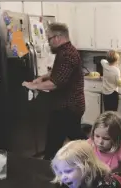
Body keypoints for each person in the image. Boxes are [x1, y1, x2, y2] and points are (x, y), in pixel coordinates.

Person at [22, 22, 86, 160]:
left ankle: (48, 174)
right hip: (69, 106)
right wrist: (41, 78)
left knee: (54, 146)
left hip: (67, 107)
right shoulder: (66, 51)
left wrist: (34, 86)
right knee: (74, 139)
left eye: (49, 39)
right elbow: (58, 74)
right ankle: (94, 158)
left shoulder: (67, 54)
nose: (48, 43)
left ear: (57, 37)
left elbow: (57, 83)